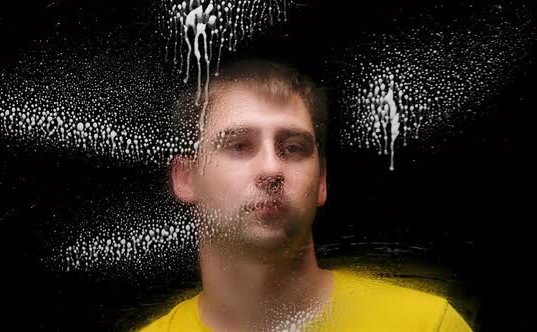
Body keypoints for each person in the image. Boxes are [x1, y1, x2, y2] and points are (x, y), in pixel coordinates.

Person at [140, 59, 472, 331]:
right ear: (186, 178)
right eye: (239, 145)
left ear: (322, 180)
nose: (271, 169)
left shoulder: (426, 325)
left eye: (293, 148)